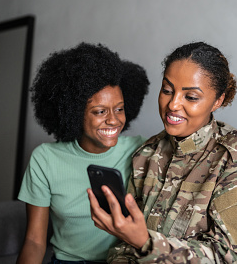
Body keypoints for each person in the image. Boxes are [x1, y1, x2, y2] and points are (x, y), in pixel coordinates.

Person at [87, 42, 237, 263]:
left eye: (191, 97)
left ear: (218, 100)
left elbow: (231, 257)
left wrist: (145, 243)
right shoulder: (146, 154)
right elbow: (124, 247)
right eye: (167, 90)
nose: (173, 104)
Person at [17, 42, 150, 264]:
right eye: (100, 111)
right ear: (74, 112)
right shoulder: (45, 159)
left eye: (119, 109)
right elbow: (34, 241)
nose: (113, 120)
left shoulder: (142, 150)